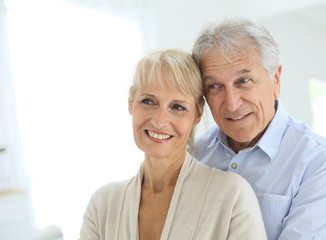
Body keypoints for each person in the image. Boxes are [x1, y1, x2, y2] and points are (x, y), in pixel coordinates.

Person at [79, 49, 267, 240]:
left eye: (178, 107)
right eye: (148, 101)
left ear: (198, 113)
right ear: (130, 102)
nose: (160, 121)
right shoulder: (103, 204)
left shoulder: (232, 196)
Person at [192, 18, 326, 240]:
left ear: (276, 79)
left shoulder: (319, 162)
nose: (231, 103)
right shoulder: (193, 156)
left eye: (243, 80)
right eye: (214, 86)